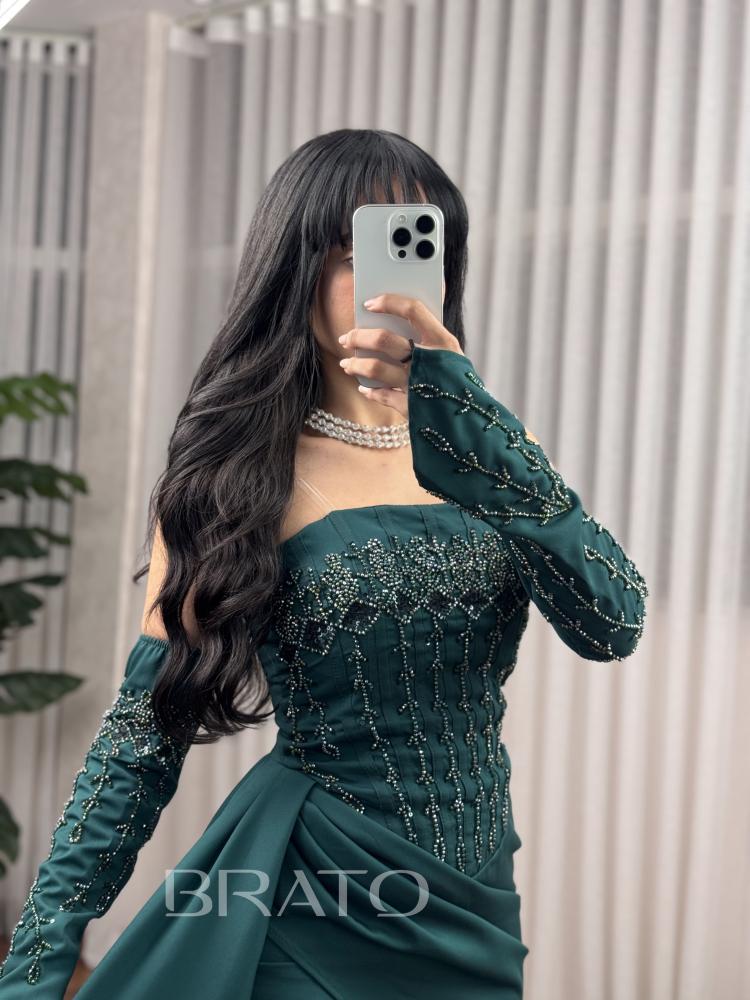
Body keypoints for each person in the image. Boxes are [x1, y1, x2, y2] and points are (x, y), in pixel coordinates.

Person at [0, 128, 648, 999]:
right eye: (353, 254)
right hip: (308, 898)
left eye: (417, 246)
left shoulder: (492, 452)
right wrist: (34, 969)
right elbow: (142, 739)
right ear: (295, 269)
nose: (386, 280)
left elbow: (613, 622)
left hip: (475, 903)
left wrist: (471, 417)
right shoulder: (234, 476)